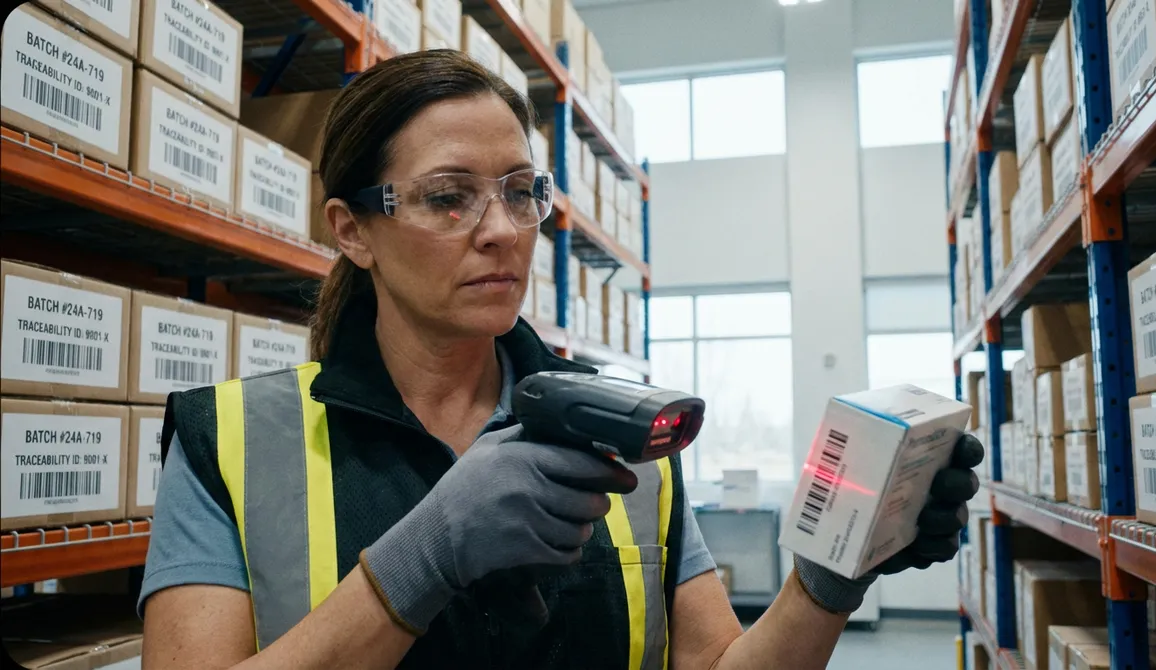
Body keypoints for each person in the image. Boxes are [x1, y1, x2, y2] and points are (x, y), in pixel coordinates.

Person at [140, 50, 982, 670]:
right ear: (353, 228)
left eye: (520, 190)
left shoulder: (626, 437)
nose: (503, 229)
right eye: (448, 196)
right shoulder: (231, 441)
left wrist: (827, 580)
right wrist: (419, 561)